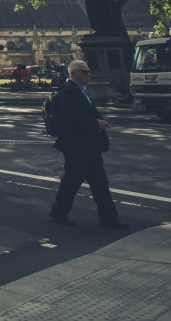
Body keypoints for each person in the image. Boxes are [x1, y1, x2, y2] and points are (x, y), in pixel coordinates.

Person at [49, 60, 128, 229]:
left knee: (98, 181)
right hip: (76, 145)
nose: (89, 75)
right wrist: (95, 124)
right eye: (85, 72)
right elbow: (70, 118)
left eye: (89, 71)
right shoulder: (68, 91)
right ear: (73, 74)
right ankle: (59, 211)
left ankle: (108, 218)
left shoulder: (80, 90)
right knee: (73, 180)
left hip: (87, 144)